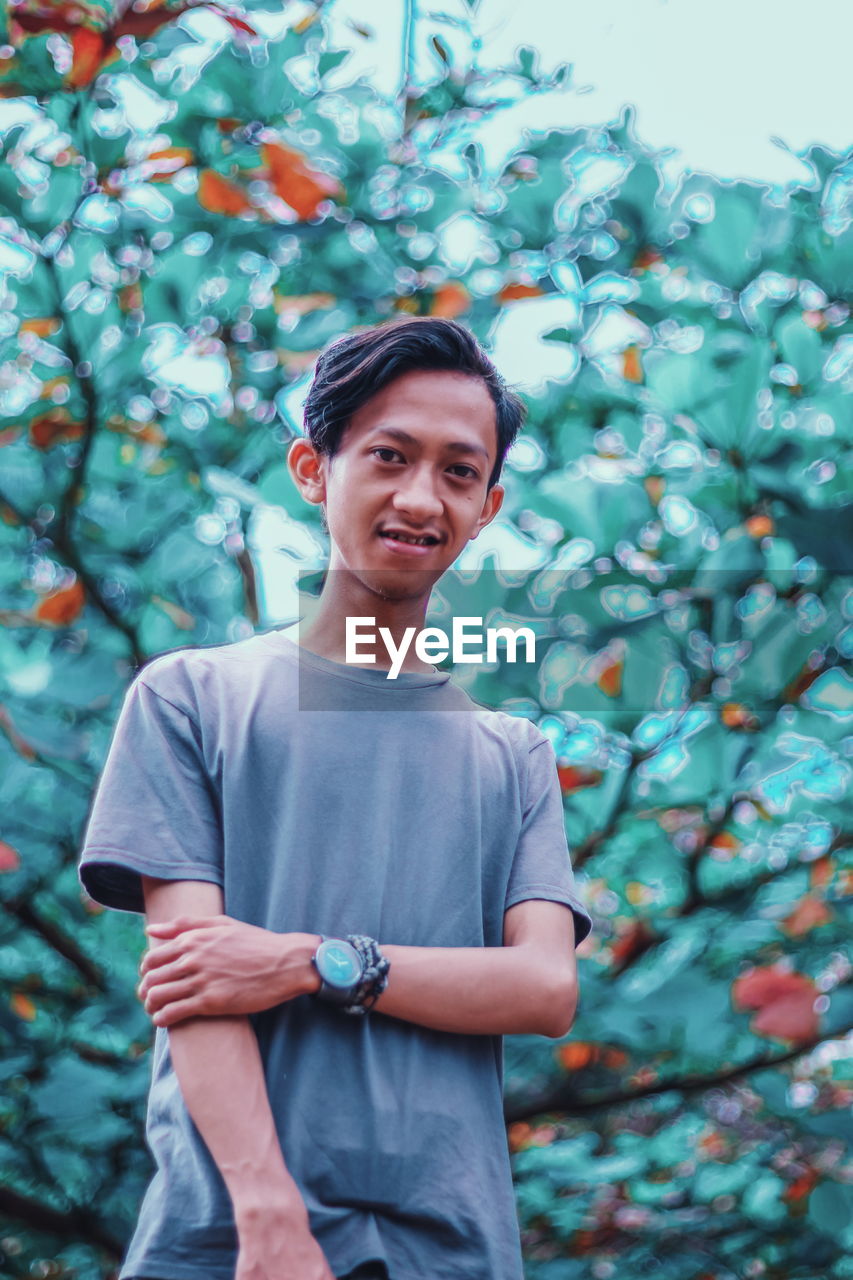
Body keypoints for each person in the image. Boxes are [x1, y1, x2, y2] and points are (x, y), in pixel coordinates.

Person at [77, 316, 594, 1280]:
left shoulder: (513, 752)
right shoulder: (191, 697)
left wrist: (318, 962)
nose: (419, 498)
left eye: (457, 472)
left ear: (486, 506)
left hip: (455, 1250)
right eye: (389, 456)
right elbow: (196, 983)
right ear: (314, 470)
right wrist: (267, 1216)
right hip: (229, 1242)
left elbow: (544, 989)